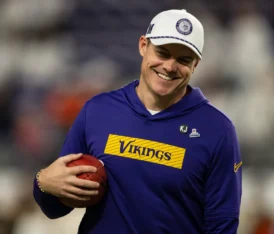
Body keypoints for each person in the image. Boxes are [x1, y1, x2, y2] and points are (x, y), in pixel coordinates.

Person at [33, 9, 242, 234]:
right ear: (143, 45)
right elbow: (54, 208)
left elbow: (222, 225)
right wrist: (43, 182)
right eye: (162, 53)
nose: (170, 66)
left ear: (195, 65)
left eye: (183, 59)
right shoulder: (98, 111)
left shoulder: (217, 130)